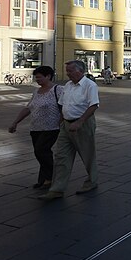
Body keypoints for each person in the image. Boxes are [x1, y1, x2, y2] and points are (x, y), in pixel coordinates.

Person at [39, 60, 100, 201]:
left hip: (82, 124)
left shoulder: (89, 85)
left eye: (70, 71)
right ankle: (57, 189)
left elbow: (94, 105)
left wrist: (80, 121)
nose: (67, 73)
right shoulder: (67, 85)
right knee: (61, 156)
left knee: (87, 154)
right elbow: (62, 104)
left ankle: (92, 181)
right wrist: (60, 121)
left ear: (80, 71)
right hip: (66, 125)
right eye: (67, 71)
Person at [8, 65, 62, 190]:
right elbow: (28, 108)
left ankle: (50, 178)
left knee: (41, 150)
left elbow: (64, 107)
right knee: (40, 153)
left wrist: (61, 123)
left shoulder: (58, 90)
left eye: (39, 77)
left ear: (48, 76)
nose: (37, 80)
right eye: (36, 78)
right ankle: (43, 179)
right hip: (35, 128)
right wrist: (15, 122)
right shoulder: (36, 92)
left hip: (51, 128)